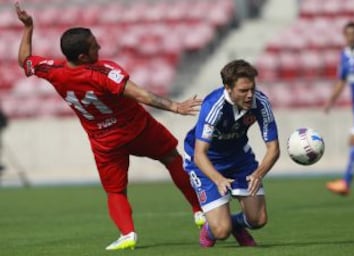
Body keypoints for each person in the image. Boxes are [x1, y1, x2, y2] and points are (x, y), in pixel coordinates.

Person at [15, 2, 205, 250]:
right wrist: (175, 106)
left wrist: (29, 27)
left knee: (116, 190)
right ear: (83, 56)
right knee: (171, 158)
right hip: (137, 129)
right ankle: (198, 210)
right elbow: (141, 95)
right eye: (95, 46)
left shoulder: (54, 71)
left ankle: (127, 234)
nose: (100, 47)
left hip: (104, 141)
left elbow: (24, 61)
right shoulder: (103, 72)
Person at [183, 60, 280, 247]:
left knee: (258, 220)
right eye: (243, 91)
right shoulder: (213, 106)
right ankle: (212, 229)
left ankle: (236, 224)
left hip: (239, 158)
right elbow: (200, 154)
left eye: (252, 88)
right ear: (228, 88)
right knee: (221, 231)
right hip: (204, 162)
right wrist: (219, 179)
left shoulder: (260, 103)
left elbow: (273, 148)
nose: (250, 95)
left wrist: (258, 174)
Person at [325, 21, 354, 196]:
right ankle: (345, 182)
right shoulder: (345, 55)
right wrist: (331, 100)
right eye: (348, 34)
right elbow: (342, 80)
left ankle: (345, 182)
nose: (351, 37)